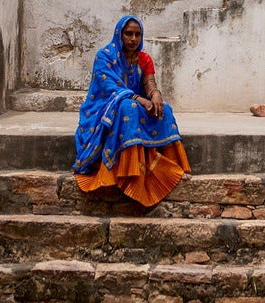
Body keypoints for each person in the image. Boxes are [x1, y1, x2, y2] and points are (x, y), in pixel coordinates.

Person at [73, 15, 191, 207]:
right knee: (129, 106)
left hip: (136, 105)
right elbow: (110, 88)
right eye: (129, 34)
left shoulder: (144, 58)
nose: (133, 39)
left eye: (137, 34)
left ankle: (170, 166)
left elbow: (149, 82)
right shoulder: (104, 57)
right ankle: (129, 172)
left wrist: (155, 95)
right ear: (120, 34)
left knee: (165, 109)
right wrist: (138, 99)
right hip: (105, 107)